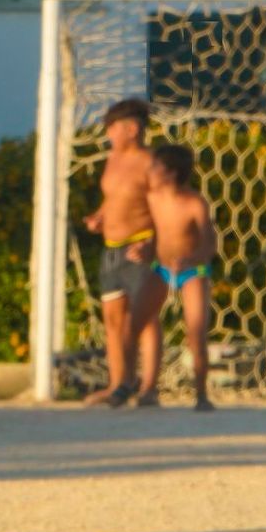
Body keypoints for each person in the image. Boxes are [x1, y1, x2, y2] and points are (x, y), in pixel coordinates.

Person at [82, 97, 161, 407]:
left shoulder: (150, 162)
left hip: (141, 248)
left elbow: (164, 206)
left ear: (132, 128)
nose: (108, 134)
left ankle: (149, 388)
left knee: (146, 319)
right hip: (111, 250)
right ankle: (119, 385)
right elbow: (113, 197)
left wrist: (153, 242)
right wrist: (100, 217)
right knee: (113, 320)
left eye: (112, 128)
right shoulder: (112, 158)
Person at [131, 143, 220, 411]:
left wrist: (191, 259)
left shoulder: (194, 203)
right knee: (137, 322)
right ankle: (146, 388)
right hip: (161, 268)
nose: (152, 171)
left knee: (195, 333)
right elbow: (152, 234)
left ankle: (201, 394)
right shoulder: (151, 198)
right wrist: (144, 250)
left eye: (157, 166)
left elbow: (209, 244)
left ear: (171, 173)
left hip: (193, 272)